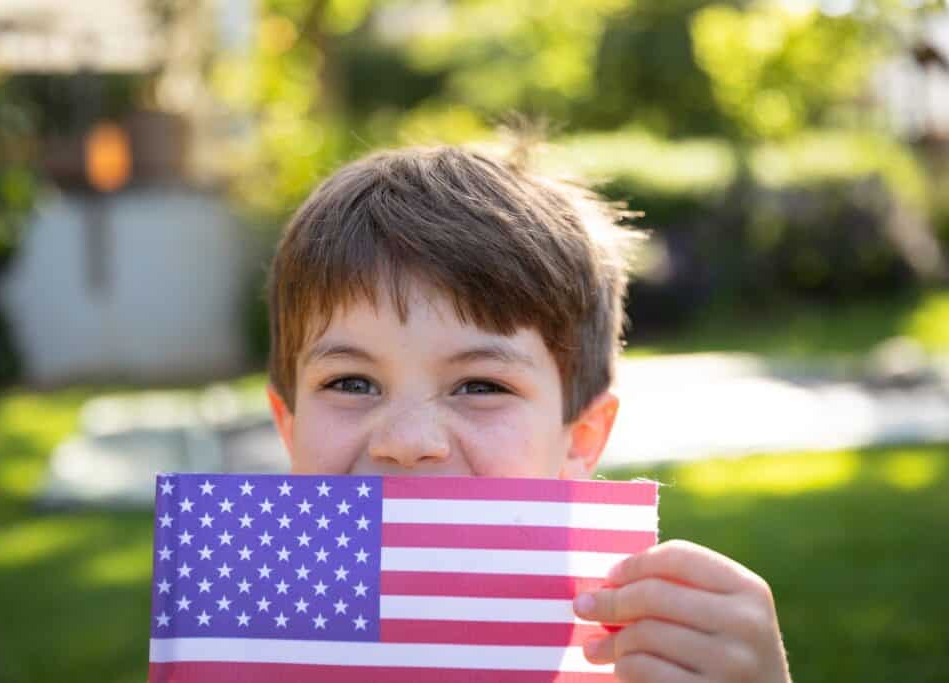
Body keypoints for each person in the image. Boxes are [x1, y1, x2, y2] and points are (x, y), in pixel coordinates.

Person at [263, 143, 792, 682]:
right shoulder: (232, 648)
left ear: (580, 440)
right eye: (351, 382)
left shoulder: (640, 666)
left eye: (479, 385)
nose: (407, 439)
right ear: (290, 427)